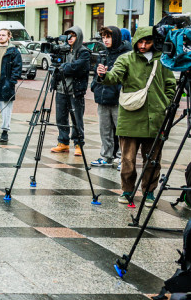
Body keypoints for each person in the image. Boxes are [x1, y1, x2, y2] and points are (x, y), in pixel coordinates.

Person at [97, 26, 177, 206]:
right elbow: (114, 77)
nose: (143, 45)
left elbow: (171, 85)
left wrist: (164, 102)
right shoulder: (126, 59)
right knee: (127, 159)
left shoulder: (163, 61)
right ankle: (127, 190)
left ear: (154, 42)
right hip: (130, 117)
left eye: (147, 42)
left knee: (153, 160)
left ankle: (149, 192)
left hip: (155, 118)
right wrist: (104, 75)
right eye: (140, 41)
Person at [90, 26, 130, 168]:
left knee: (121, 130)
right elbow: (96, 73)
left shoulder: (126, 54)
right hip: (103, 97)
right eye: (103, 37)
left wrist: (118, 89)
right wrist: (95, 86)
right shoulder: (103, 54)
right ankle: (106, 156)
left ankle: (121, 157)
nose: (105, 40)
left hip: (118, 99)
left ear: (116, 38)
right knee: (104, 129)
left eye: (108, 37)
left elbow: (126, 76)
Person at [50, 26, 90, 156]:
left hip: (75, 90)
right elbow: (56, 66)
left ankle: (78, 144)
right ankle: (63, 142)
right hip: (61, 89)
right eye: (68, 35)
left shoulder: (83, 51)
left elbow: (78, 67)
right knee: (61, 117)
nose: (70, 38)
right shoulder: (63, 50)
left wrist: (64, 67)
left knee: (77, 118)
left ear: (78, 37)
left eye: (73, 35)